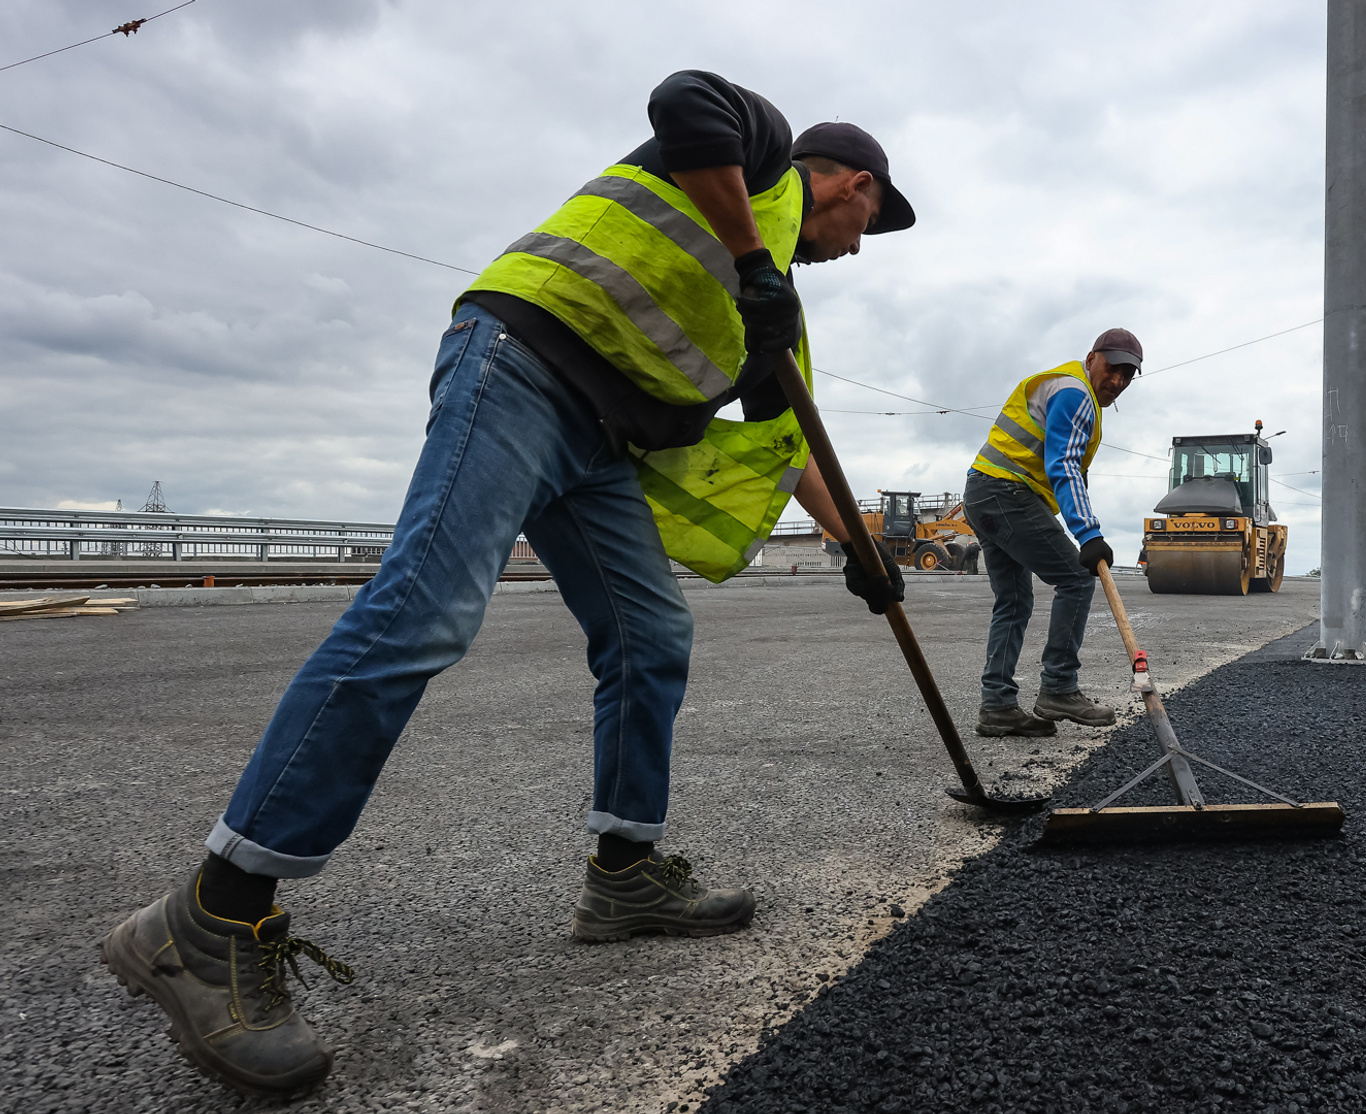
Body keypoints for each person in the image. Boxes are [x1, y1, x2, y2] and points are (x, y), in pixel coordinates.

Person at [98, 70, 913, 1099]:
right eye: (870, 222)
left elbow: (798, 450)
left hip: (595, 445)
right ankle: (210, 915)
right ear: (855, 185)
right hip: (520, 360)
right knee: (425, 609)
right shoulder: (761, 162)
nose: (857, 246)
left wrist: (863, 552)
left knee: (652, 633)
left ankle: (624, 875)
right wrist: (754, 258)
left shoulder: (774, 311)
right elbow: (685, 98)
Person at [964, 329, 1141, 737]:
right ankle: (1059, 687)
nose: (1117, 380)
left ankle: (998, 706)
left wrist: (1082, 526)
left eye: (1127, 375)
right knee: (1078, 578)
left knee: (1013, 601)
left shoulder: (1068, 387)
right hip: (1007, 492)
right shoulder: (1076, 394)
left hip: (984, 491)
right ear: (1092, 357)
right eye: (1112, 367)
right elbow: (1062, 463)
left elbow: (1069, 472)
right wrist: (1088, 534)